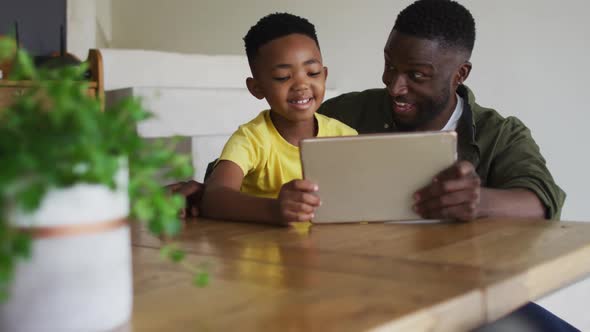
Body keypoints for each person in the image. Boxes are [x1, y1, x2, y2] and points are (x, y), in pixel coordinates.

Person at [169, 1, 576, 330]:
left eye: (416, 75)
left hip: (460, 289)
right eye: (390, 65)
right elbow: (264, 162)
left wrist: (478, 201)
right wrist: (207, 192)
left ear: (459, 75)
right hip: (355, 287)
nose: (394, 86)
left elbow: (540, 200)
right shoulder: (347, 112)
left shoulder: (498, 133)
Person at [197, 13, 357, 224]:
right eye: (283, 77)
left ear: (324, 75)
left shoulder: (345, 136)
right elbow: (213, 197)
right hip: (263, 252)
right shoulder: (252, 138)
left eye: (312, 72)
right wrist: (274, 210)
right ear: (257, 88)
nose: (301, 85)